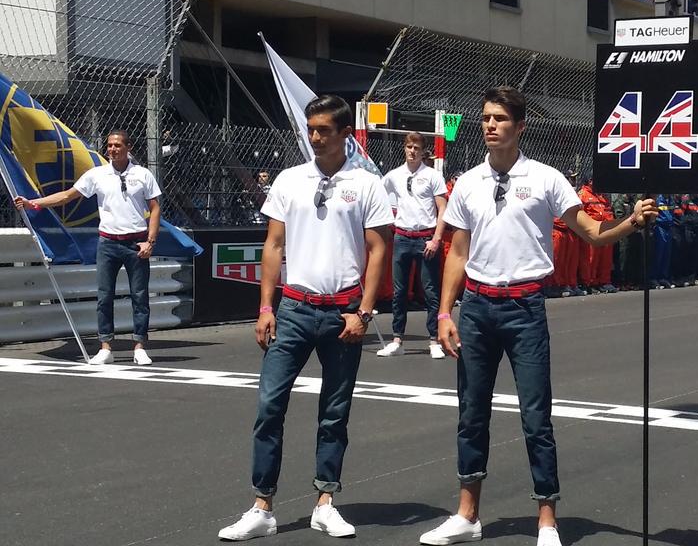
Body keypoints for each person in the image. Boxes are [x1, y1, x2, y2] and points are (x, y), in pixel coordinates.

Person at [419, 86, 656, 546]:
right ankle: (468, 514)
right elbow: (457, 252)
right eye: (486, 117)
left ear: (520, 126)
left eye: (500, 119)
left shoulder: (547, 179)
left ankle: (547, 518)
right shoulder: (467, 182)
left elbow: (589, 232)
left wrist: (631, 223)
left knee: (535, 416)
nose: (490, 125)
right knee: (471, 414)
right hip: (477, 308)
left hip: (525, 307)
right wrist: (445, 313)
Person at [217, 95, 392, 541]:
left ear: (343, 134)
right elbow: (273, 246)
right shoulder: (290, 180)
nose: (315, 137)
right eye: (310, 129)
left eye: (324, 130)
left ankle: (325, 502)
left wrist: (364, 313)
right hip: (293, 309)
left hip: (343, 314)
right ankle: (262, 506)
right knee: (269, 405)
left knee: (334, 412)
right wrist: (265, 307)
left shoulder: (367, 184)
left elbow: (378, 250)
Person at [15, 130, 161, 366]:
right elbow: (67, 196)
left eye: (117, 145)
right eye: (110, 145)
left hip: (136, 243)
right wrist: (34, 203)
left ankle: (140, 346)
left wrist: (150, 241)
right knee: (104, 296)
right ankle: (105, 347)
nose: (113, 149)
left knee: (140, 297)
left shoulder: (143, 174)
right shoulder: (97, 174)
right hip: (107, 243)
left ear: (128, 147)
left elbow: (155, 208)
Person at [378, 132, 449, 359]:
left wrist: (436, 239)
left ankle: (433, 339)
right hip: (402, 237)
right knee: (399, 291)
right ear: (404, 148)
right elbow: (378, 198)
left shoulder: (432, 176)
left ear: (422, 151)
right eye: (409, 147)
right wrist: (390, 222)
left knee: (430, 290)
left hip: (425, 237)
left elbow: (442, 208)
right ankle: (397, 338)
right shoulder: (393, 175)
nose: (412, 151)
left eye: (416, 147)